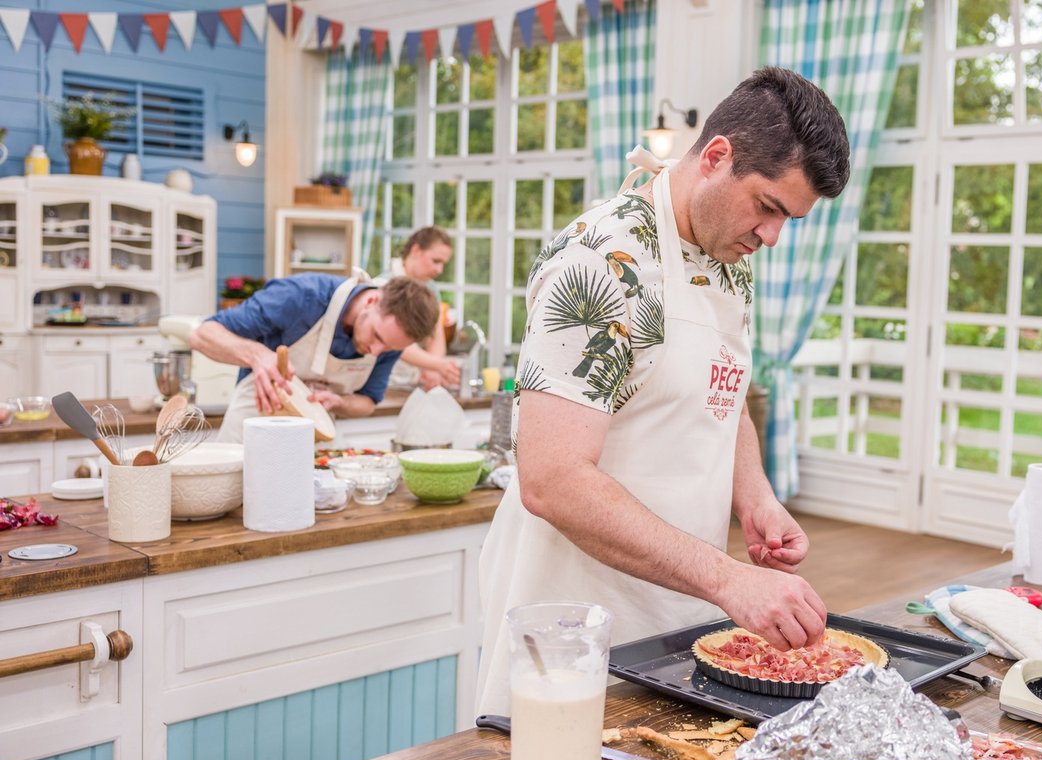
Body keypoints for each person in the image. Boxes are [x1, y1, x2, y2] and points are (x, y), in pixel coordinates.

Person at [476, 66, 852, 715]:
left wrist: (756, 498)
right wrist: (729, 577)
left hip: (678, 615)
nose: (772, 237)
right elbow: (552, 478)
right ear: (715, 157)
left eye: (789, 219)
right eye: (768, 207)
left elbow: (722, 394)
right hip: (573, 628)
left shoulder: (728, 259)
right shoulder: (599, 263)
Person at [190, 270, 439, 443]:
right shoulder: (300, 296)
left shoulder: (390, 341)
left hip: (316, 441)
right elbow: (202, 334)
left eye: (388, 349)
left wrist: (339, 402)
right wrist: (257, 356)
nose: (376, 352)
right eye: (377, 337)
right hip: (252, 427)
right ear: (372, 301)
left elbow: (368, 402)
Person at [388, 226, 462, 391]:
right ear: (416, 251)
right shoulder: (385, 285)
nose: (439, 270)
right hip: (387, 384)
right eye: (436, 261)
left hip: (417, 385)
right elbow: (393, 340)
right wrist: (438, 365)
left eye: (443, 263)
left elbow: (436, 337)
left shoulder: (431, 289)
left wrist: (432, 370)